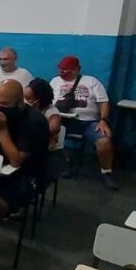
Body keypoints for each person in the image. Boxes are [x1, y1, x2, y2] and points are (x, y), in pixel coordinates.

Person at [0, 80, 50, 220]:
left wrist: (2, 129)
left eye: (5, 104)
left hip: (27, 174)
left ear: (20, 103)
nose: (0, 107)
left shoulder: (35, 122)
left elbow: (16, 160)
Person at [49, 55, 118, 190]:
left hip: (88, 122)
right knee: (45, 133)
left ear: (77, 69)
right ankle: (64, 162)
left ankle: (106, 172)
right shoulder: (55, 81)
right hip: (62, 119)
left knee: (104, 141)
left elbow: (103, 102)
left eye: (67, 70)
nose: (63, 73)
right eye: (62, 70)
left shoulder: (91, 81)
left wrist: (103, 120)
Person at [25, 77, 67, 182]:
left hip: (47, 155)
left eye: (28, 98)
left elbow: (54, 128)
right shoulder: (24, 108)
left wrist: (33, 113)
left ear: (38, 100)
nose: (24, 101)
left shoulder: (51, 111)